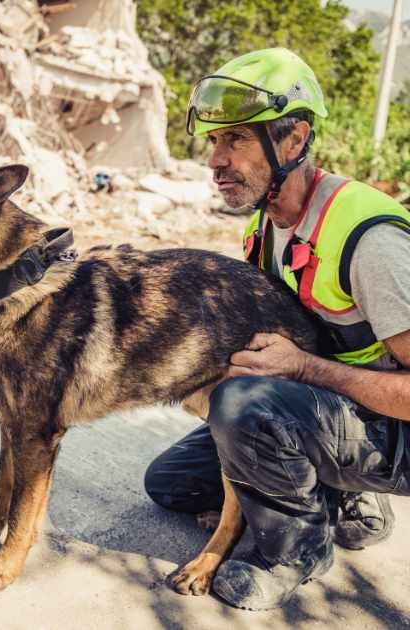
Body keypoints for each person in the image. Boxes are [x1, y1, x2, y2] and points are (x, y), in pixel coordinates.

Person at [143, 48, 410, 610]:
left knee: (242, 406)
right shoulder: (266, 227)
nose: (215, 160)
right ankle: (340, 494)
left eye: (236, 139)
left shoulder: (371, 241)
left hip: (396, 426)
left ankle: (298, 550)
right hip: (336, 407)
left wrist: (303, 367)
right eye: (212, 141)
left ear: (293, 141)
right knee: (169, 483)